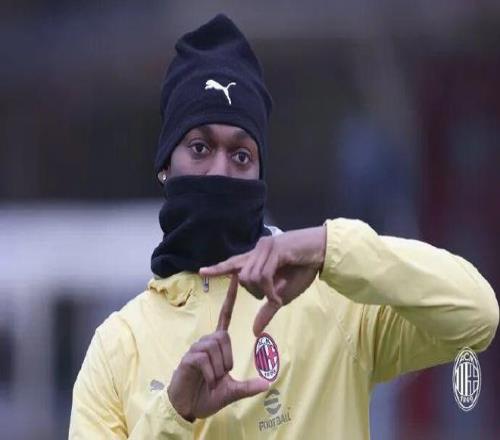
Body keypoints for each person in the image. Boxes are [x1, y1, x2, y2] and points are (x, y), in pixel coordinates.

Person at [69, 14, 499, 439]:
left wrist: (328, 245)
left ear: (260, 174)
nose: (220, 171)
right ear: (166, 164)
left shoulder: (337, 297)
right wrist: (174, 414)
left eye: (241, 155)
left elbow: (476, 314)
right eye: (200, 148)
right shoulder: (119, 347)